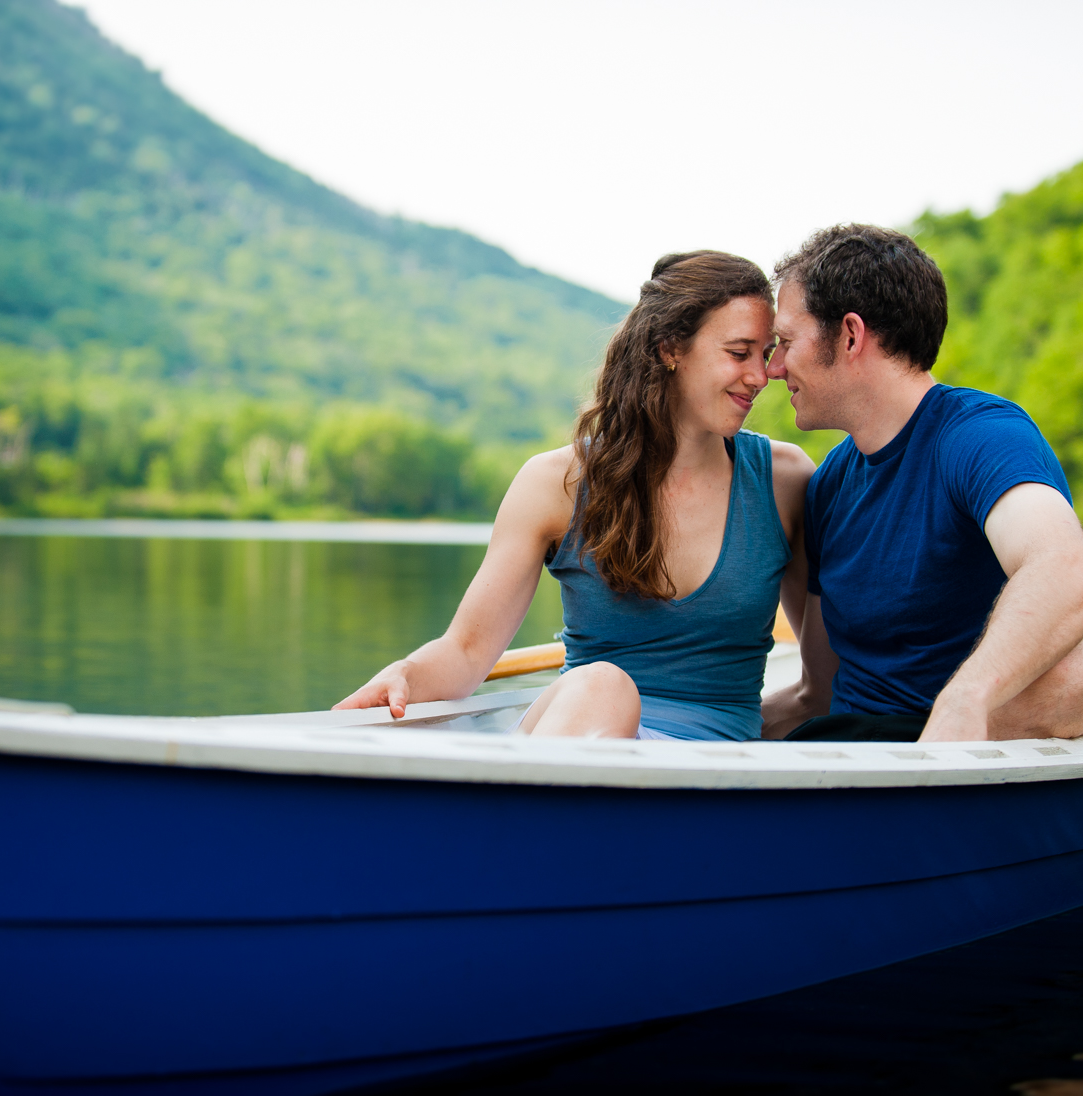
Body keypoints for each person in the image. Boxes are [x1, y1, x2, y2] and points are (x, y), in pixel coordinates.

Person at [335, 251, 813, 739]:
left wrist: (740, 747)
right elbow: (467, 651)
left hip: (707, 781)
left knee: (604, 691)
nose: (761, 375)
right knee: (604, 688)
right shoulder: (554, 483)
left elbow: (821, 686)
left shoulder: (784, 481)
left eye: (767, 351)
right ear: (671, 348)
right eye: (739, 352)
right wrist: (407, 674)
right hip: (583, 738)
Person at [759, 225, 1083, 744]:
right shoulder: (829, 484)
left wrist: (967, 700)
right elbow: (819, 690)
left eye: (785, 343)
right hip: (845, 748)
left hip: (948, 753)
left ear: (850, 335)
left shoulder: (981, 437)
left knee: (1074, 674)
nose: (774, 369)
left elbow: (1066, 571)